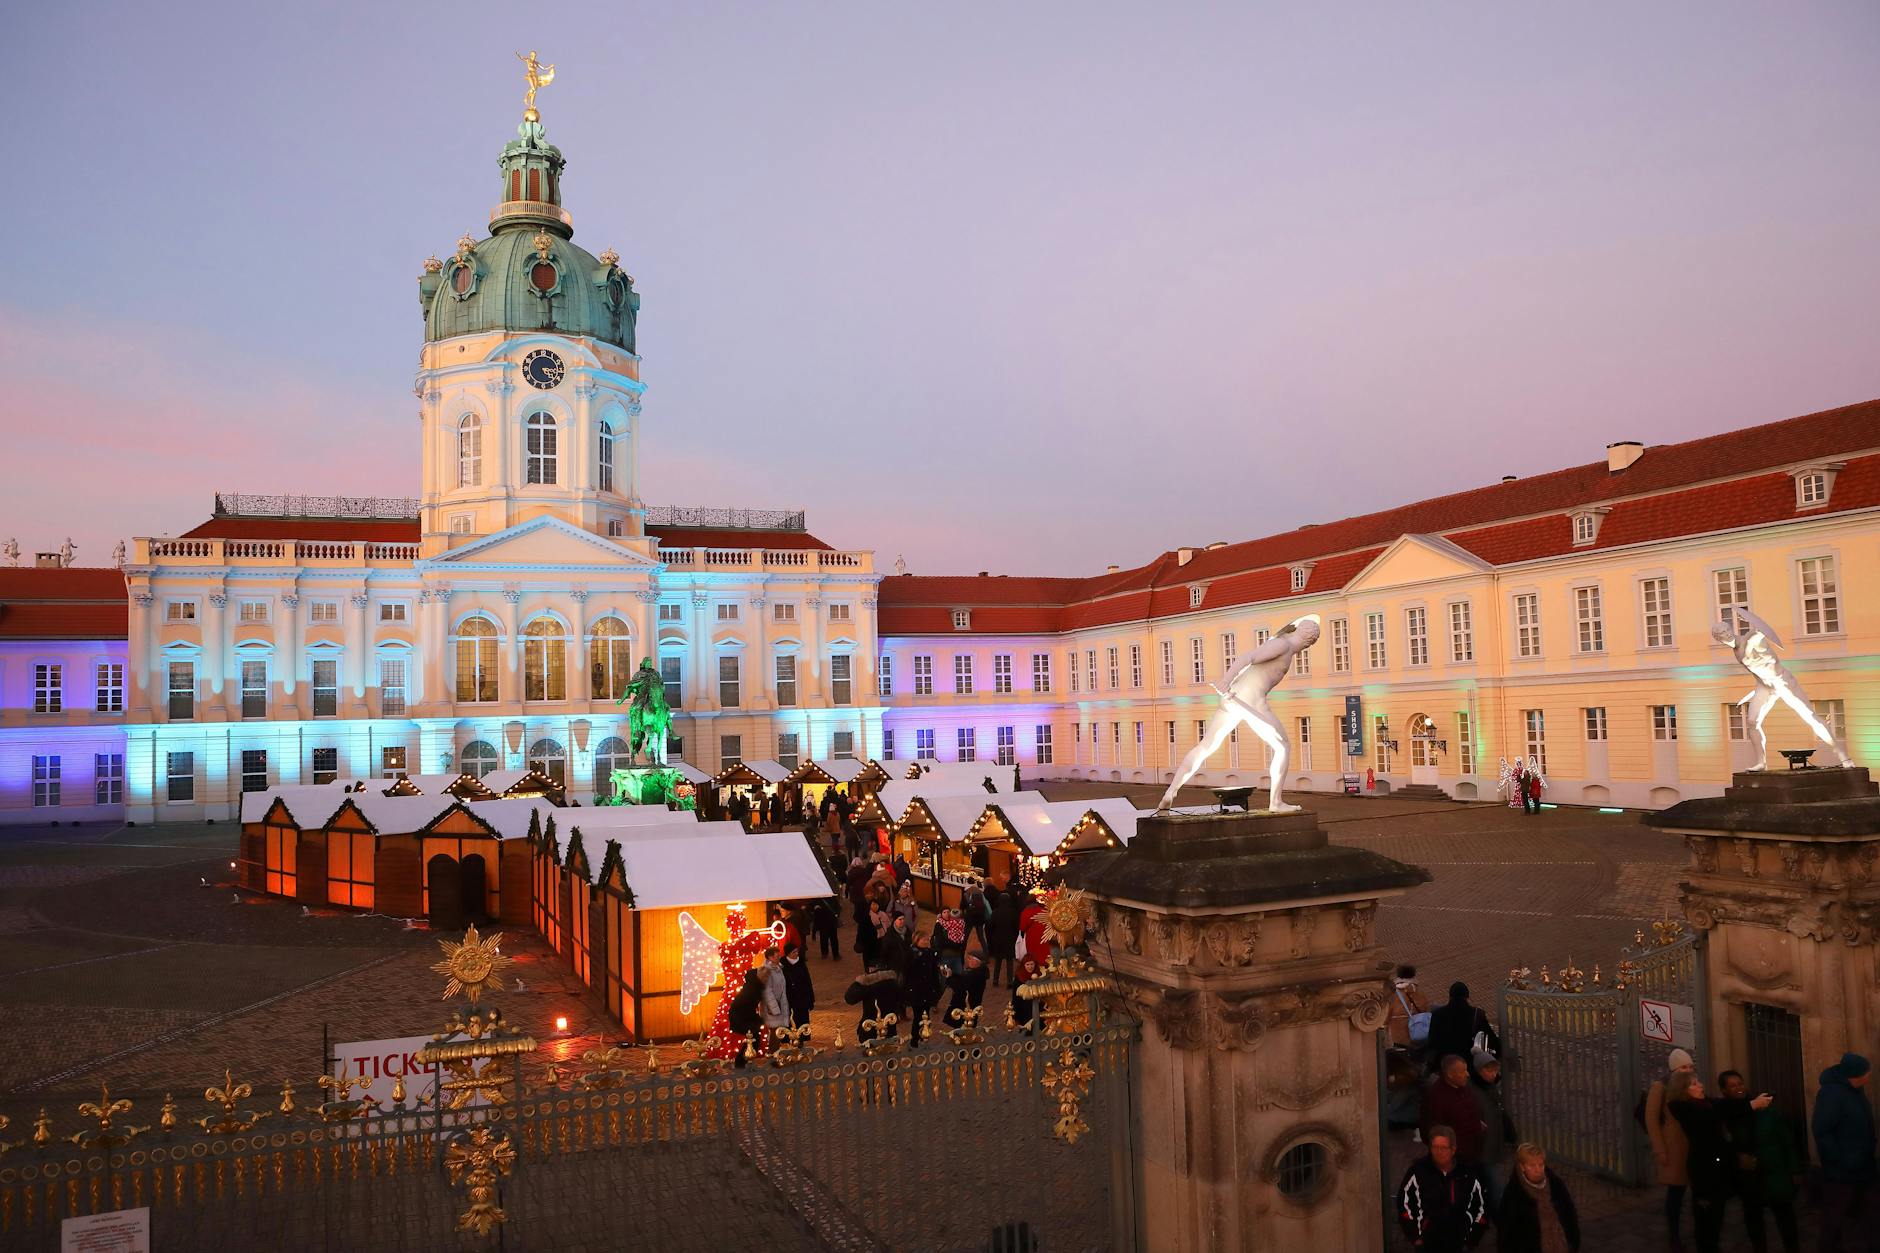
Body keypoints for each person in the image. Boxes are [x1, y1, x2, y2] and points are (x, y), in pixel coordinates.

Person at [1715, 1069, 1797, 1253]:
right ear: (1724, 1090)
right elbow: (1721, 1144)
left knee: (1785, 1215)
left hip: (1772, 1171)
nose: (1739, 1088)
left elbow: (1784, 1138)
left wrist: (1794, 1168)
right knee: (1754, 1218)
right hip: (1748, 1176)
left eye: (1740, 1083)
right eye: (1732, 1086)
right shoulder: (1724, 1112)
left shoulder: (1762, 1107)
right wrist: (1736, 1156)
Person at [1813, 1052, 1877, 1253]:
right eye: (1866, 1072)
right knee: (1834, 1218)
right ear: (1855, 1075)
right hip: (1841, 1172)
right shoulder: (1831, 1094)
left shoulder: (1855, 1090)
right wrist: (1840, 1160)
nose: (1869, 1075)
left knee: (1867, 1213)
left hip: (1862, 1167)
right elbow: (1822, 1131)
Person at [1667, 1070, 1732, 1253]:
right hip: (1703, 1170)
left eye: (1698, 1081)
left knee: (1716, 1214)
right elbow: (1710, 1119)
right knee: (1705, 1219)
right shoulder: (1688, 1109)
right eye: (1694, 1084)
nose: (1700, 1085)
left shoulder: (1704, 1103)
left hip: (1716, 1166)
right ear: (1683, 1090)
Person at [1396, 1124, 1490, 1251]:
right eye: (1435, 1147)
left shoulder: (1467, 1173)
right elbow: (1404, 1204)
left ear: (1453, 1149)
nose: (1439, 1152)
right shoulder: (1418, 1171)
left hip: (1459, 1244)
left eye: (1444, 1148)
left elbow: (1481, 1207)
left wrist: (1471, 1239)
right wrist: (1415, 1237)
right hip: (1427, 1243)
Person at [1645, 1048, 1698, 1248]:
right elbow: (1651, 1119)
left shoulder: (1693, 1084)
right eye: (1683, 1067)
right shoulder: (1660, 1087)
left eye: (1690, 1066)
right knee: (1676, 1192)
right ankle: (1674, 1235)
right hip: (1673, 1146)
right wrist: (1659, 1149)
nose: (1688, 1070)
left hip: (1692, 1143)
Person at [1495, 1142, 1580, 1252]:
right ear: (1522, 1167)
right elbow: (1506, 1234)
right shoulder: (1514, 1194)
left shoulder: (1555, 1185)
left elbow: (1570, 1215)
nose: (1538, 1170)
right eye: (1532, 1165)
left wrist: (1573, 1244)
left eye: (1541, 1165)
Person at [1424, 1055, 1490, 1170]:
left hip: (1474, 1151)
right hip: (1458, 1158)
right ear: (1450, 1074)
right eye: (1463, 1071)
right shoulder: (1437, 1098)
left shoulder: (1463, 1087)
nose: (1467, 1074)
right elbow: (1433, 1130)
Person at [1471, 1050, 1516, 1209]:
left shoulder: (1489, 1086)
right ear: (1478, 1071)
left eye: (1495, 1071)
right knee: (1494, 1182)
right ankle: (1499, 1211)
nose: (1493, 1074)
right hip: (1483, 1145)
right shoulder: (1473, 1091)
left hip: (1492, 1141)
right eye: (1489, 1071)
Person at [1427, 983, 1499, 1075]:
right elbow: (1491, 1038)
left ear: (1450, 996)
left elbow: (1432, 1041)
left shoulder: (1437, 1014)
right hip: (1468, 1062)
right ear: (1467, 997)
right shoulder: (1476, 1014)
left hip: (1445, 1063)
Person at [844, 959, 903, 1042]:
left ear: (871, 969)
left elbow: (849, 998)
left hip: (869, 1030)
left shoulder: (868, 984)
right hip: (889, 1029)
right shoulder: (894, 982)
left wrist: (858, 982)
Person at [903, 936, 945, 1046]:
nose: (926, 941)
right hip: (916, 990)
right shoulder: (911, 953)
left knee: (926, 1016)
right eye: (924, 940)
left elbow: (934, 972)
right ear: (917, 941)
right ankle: (915, 1041)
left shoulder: (930, 953)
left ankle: (924, 1038)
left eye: (927, 940)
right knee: (918, 1016)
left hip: (928, 989)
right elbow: (907, 972)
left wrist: (936, 988)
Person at [726, 969, 766, 1068]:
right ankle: (741, 1062)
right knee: (753, 1038)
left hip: (745, 1015)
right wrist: (758, 1020)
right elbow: (746, 1007)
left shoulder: (754, 987)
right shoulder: (752, 989)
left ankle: (743, 1061)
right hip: (740, 1017)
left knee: (754, 1037)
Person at [987, 886, 1022, 987]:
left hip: (998, 939)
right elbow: (1016, 927)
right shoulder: (1013, 912)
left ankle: (995, 980)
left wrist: (992, 937)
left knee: (998, 961)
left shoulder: (995, 912)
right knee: (1009, 961)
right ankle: (1009, 981)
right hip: (1010, 939)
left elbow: (990, 926)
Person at [759, 947, 791, 1044]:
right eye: (777, 956)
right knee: (774, 1033)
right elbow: (767, 992)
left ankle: (776, 1050)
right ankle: (773, 1051)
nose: (779, 958)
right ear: (770, 957)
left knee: (778, 1032)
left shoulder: (778, 968)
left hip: (779, 1005)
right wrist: (774, 1009)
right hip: (772, 1008)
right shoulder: (767, 971)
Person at [781, 943, 815, 1030]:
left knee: (803, 1021)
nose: (796, 954)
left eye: (797, 951)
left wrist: (810, 999)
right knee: (790, 1021)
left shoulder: (801, 963)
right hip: (789, 999)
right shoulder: (782, 965)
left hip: (802, 998)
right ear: (788, 953)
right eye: (793, 952)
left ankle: (803, 1036)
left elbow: (807, 981)